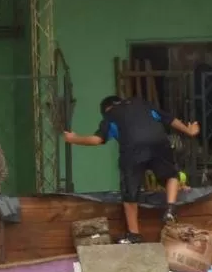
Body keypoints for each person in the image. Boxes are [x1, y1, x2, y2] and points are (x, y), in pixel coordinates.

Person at [64, 96, 200, 244]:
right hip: (160, 143)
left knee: (130, 193)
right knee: (171, 175)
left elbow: (97, 140)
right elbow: (170, 119)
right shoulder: (144, 104)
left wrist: (74, 139)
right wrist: (189, 130)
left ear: (106, 109)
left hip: (133, 149)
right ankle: (171, 208)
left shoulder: (111, 115)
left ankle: (134, 234)